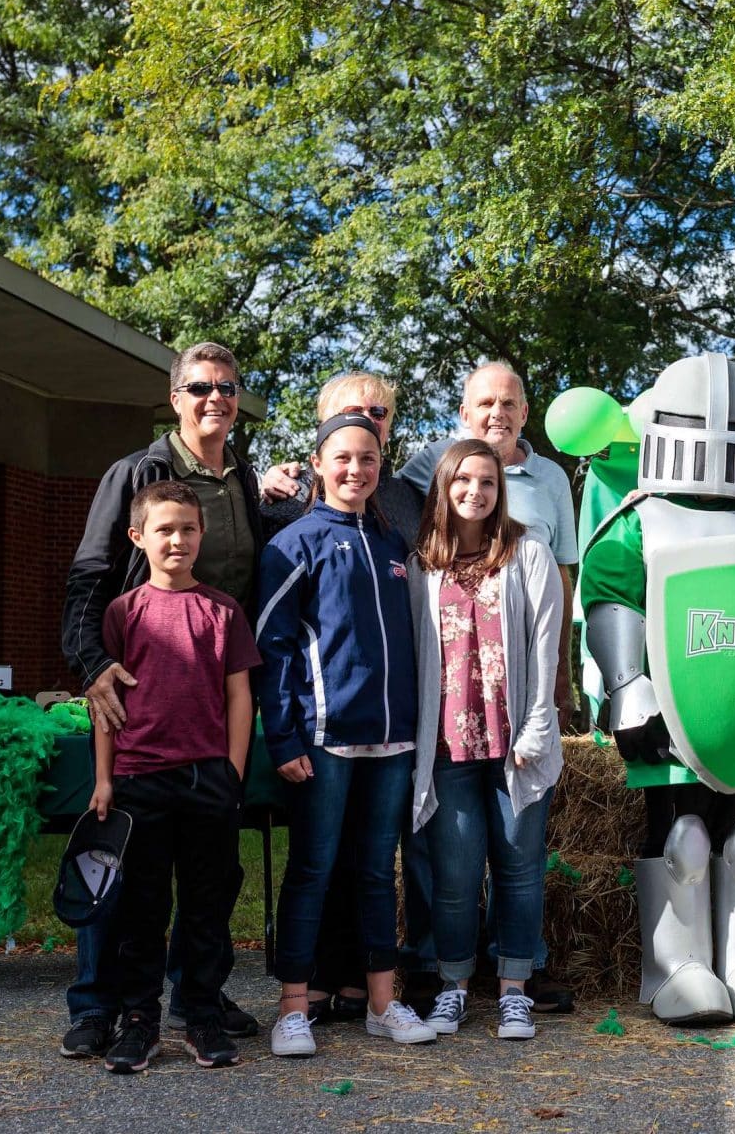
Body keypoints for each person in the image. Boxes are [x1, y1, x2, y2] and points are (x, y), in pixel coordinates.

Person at [573, 352, 735, 1025]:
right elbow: (611, 598)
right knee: (683, 839)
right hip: (668, 710)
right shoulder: (638, 520)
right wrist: (628, 685)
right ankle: (679, 969)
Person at [58, 341, 271, 1057]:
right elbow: (90, 578)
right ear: (175, 397)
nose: (216, 398)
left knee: (207, 882)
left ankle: (195, 1003)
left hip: (210, 701)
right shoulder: (139, 474)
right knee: (124, 870)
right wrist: (93, 664)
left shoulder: (240, 479)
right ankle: (100, 1006)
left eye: (228, 387)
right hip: (137, 692)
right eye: (201, 387)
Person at [400, 360, 579, 1013]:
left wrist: (544, 716)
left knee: (519, 868)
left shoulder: (527, 549)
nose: (475, 491)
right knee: (452, 875)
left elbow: (544, 633)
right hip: (446, 744)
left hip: (515, 740)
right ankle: (450, 983)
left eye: (487, 482)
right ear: (444, 484)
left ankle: (513, 987)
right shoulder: (423, 564)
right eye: (464, 481)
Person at [255, 412, 434, 1057]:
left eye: (368, 459)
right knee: (313, 869)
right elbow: (271, 648)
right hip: (324, 741)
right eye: (343, 459)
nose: (355, 470)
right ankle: (293, 1007)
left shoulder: (396, 547)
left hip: (392, 740)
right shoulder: (293, 544)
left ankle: (384, 1003)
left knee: (374, 874)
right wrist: (284, 739)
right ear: (319, 463)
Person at [86, 481, 258, 1073]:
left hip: (207, 781)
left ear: (201, 535)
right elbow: (103, 705)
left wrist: (231, 772)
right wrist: (104, 779)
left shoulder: (223, 611)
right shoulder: (123, 612)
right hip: (138, 782)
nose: (177, 539)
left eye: (187, 528)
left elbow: (240, 695)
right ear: (139, 537)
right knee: (142, 909)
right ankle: (138, 1021)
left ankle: (203, 1016)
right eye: (164, 529)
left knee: (207, 907)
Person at [295, 373, 435, 1023]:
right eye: (351, 412)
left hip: (390, 712)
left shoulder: (406, 499)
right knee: (319, 854)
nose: (367, 419)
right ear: (321, 428)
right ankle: (314, 980)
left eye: (378, 412)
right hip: (323, 710)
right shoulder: (289, 498)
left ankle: (364, 982)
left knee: (374, 857)